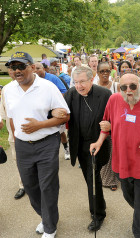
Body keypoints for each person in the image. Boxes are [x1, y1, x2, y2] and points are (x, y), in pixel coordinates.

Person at [90, 72, 140, 238]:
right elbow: (106, 124)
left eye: (132, 86)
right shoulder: (114, 100)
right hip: (122, 162)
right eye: (123, 87)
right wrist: (98, 142)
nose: (128, 91)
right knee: (129, 196)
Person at [4, 52, 70, 238]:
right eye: (12, 67)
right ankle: (46, 216)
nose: (17, 71)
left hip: (46, 143)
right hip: (23, 146)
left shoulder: (48, 87)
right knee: (30, 186)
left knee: (48, 186)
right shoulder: (8, 90)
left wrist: (39, 125)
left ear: (32, 67)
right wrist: (17, 141)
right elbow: (12, 118)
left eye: (21, 66)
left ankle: (50, 227)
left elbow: (66, 116)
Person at [62, 66, 112, 232]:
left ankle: (98, 213)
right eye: (76, 82)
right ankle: (99, 208)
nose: (79, 86)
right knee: (90, 178)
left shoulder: (104, 94)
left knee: (93, 178)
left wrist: (110, 126)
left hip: (98, 142)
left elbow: (113, 117)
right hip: (80, 144)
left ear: (91, 79)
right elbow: (62, 113)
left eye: (82, 81)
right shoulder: (70, 94)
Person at [0, 66, 25, 199]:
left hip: (31, 133)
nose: (13, 71)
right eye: (10, 69)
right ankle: (22, 185)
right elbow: (4, 113)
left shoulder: (29, 86)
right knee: (18, 160)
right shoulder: (6, 89)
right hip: (13, 134)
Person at [97, 62, 119, 191]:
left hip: (115, 123)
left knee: (113, 151)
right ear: (98, 73)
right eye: (102, 71)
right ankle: (106, 178)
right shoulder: (93, 87)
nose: (105, 73)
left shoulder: (116, 86)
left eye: (107, 71)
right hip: (100, 124)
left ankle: (112, 179)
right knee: (104, 151)